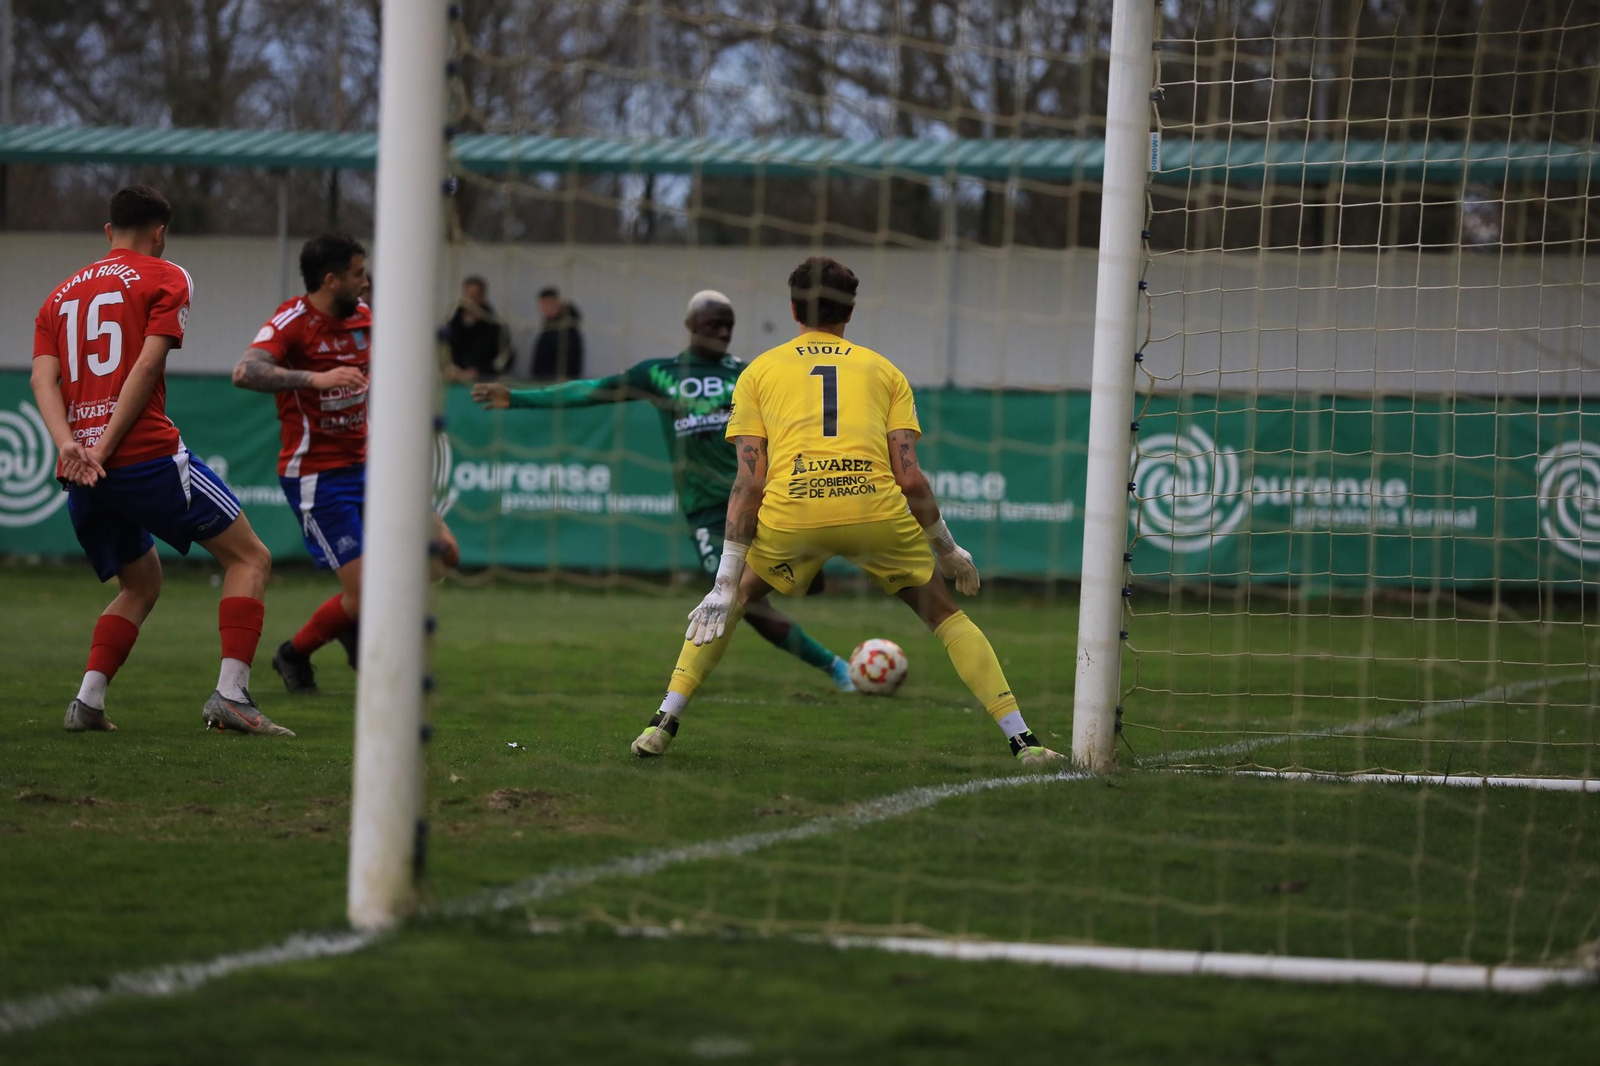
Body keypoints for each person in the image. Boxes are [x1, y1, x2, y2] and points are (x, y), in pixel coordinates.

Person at [630, 257, 1063, 765]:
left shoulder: (757, 372)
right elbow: (910, 478)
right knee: (947, 617)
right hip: (874, 512)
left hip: (793, 513)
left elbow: (749, 482)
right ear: (850, 312)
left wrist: (725, 582)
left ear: (794, 310)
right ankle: (1023, 741)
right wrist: (947, 548)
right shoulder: (885, 371)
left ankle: (662, 722)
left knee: (736, 602)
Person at [473, 289, 856, 692]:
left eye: (728, 325)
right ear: (691, 325)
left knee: (808, 585)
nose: (723, 332)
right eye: (714, 324)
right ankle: (835, 668)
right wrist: (518, 398)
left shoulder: (747, 374)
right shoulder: (660, 374)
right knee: (743, 603)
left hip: (763, 497)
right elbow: (590, 390)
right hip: (709, 512)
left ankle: (813, 579)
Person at [30, 184, 291, 736]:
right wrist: (104, 447)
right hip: (142, 455)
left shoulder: (57, 297)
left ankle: (87, 702)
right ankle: (232, 696)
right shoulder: (167, 275)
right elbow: (146, 367)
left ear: (109, 231)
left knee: (141, 584)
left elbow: (42, 379)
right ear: (160, 232)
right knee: (251, 558)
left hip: (82, 472)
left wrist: (69, 445)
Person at [232, 232, 460, 694]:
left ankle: (353, 619)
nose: (366, 281)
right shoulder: (292, 321)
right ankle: (294, 653)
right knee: (365, 592)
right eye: (358, 274)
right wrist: (314, 379)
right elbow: (245, 371)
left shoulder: (365, 318)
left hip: (372, 466)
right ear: (330, 279)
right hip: (318, 476)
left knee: (443, 553)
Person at [445, 275, 510, 380]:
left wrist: (480, 371)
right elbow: (445, 350)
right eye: (468, 295)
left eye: (474, 295)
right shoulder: (451, 324)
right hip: (455, 380)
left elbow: (504, 357)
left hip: (484, 380)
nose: (470, 300)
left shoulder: (496, 326)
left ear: (482, 297)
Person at [529, 286, 584, 380]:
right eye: (542, 306)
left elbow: (570, 365)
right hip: (543, 382)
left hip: (557, 384)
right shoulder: (549, 328)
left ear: (557, 304)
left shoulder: (567, 331)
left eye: (548, 304)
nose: (544, 309)